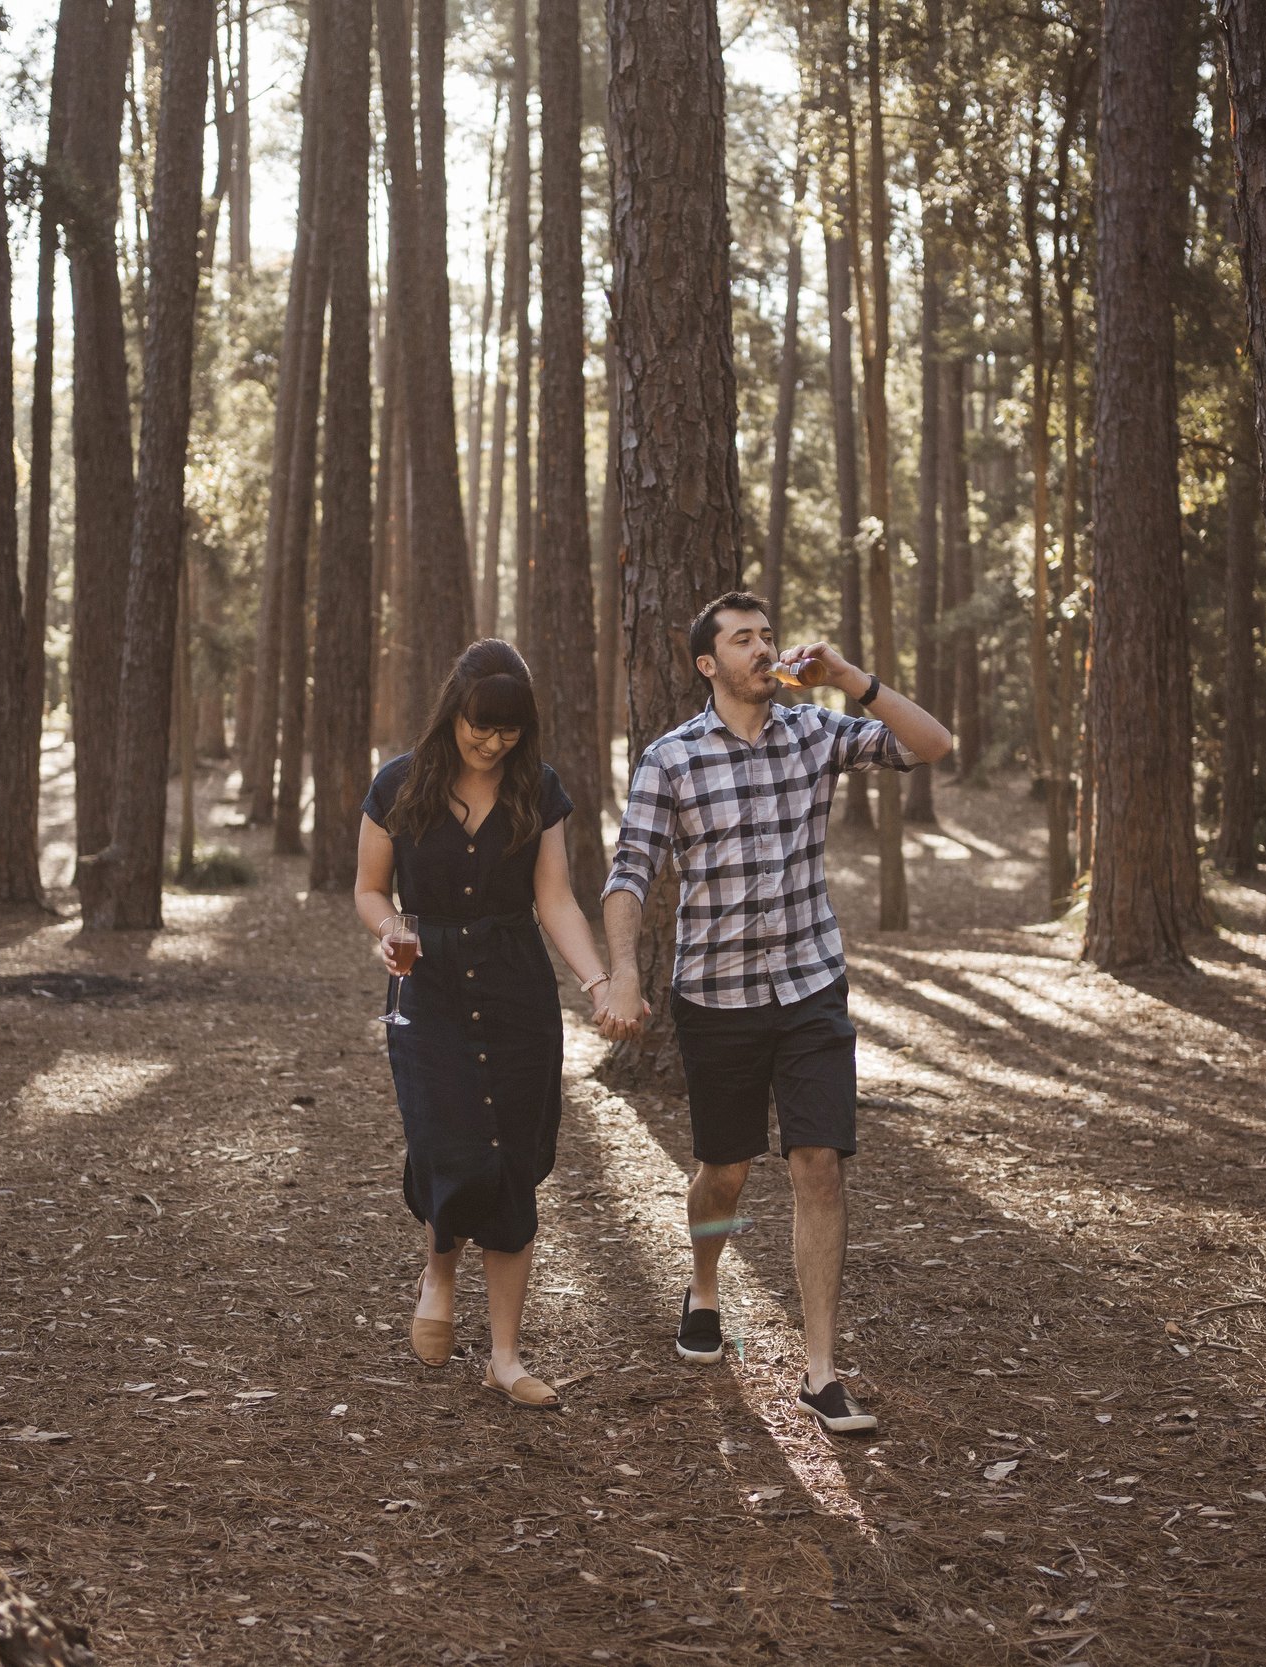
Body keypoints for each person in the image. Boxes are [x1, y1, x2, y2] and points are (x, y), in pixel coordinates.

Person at [599, 592, 953, 1434]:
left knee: (818, 1164)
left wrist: (851, 681)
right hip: (714, 998)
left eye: (767, 635)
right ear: (706, 664)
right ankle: (706, 1284)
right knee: (725, 1170)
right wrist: (620, 972)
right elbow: (628, 873)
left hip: (809, 988)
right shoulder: (671, 758)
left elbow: (932, 744)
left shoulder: (815, 731)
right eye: (742, 640)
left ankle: (820, 1370)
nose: (762, 650)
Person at [354, 639, 616, 1410]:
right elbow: (370, 888)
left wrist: (596, 980)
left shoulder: (540, 789)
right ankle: (440, 1264)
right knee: (448, 1140)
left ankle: (504, 1354)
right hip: (426, 988)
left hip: (515, 992)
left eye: (506, 731)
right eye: (479, 727)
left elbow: (557, 899)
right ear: (453, 711)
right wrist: (392, 930)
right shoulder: (399, 783)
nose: (491, 742)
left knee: (510, 1161)